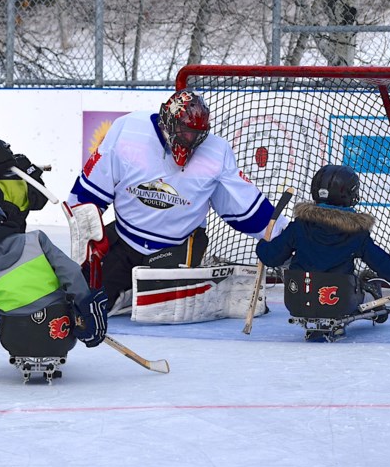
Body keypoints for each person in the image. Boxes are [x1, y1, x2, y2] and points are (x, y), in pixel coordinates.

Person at [66, 89, 286, 312]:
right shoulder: (128, 129)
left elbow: (245, 205)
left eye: (195, 133)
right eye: (184, 130)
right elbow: (86, 195)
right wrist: (88, 237)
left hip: (180, 244)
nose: (189, 139)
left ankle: (148, 290)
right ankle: (127, 291)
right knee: (92, 300)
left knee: (161, 300)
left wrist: (283, 235)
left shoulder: (216, 152)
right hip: (127, 239)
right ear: (167, 121)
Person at [0, 201, 107, 380]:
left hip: (15, 338)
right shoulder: (36, 240)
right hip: (59, 331)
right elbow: (72, 273)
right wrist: (85, 309)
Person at [256, 164, 390, 308]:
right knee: (364, 280)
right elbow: (386, 266)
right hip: (339, 301)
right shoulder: (356, 234)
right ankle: (372, 296)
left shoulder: (300, 226)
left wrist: (263, 246)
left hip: (297, 300)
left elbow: (271, 257)